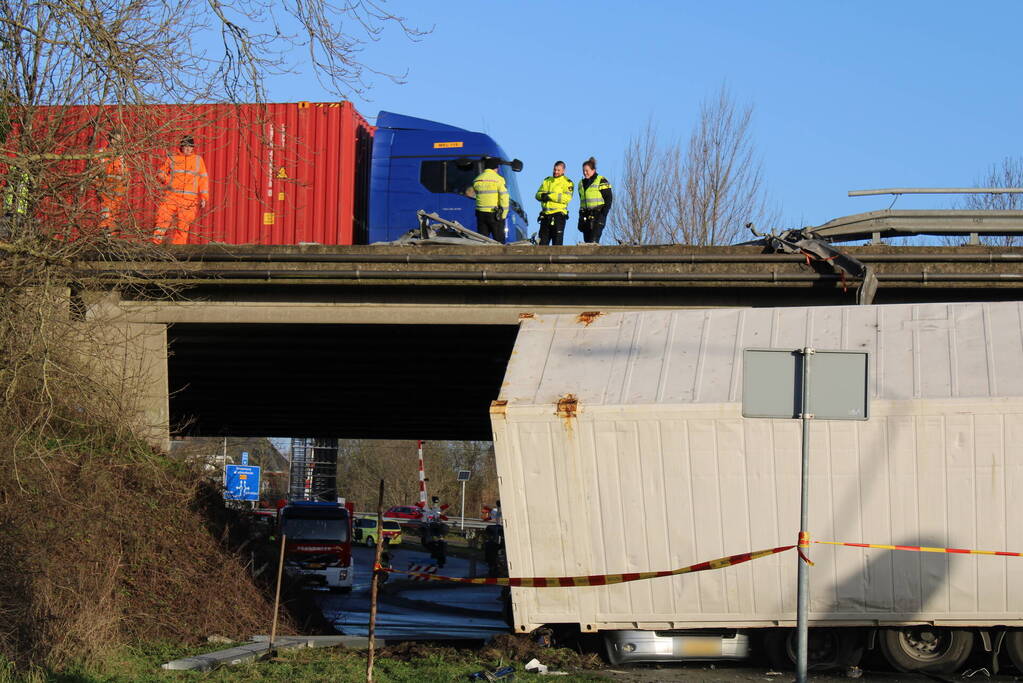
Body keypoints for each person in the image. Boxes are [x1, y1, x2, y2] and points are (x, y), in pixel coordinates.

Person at [153, 135, 208, 245]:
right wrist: (168, 181)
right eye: (185, 146)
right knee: (162, 221)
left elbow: (203, 180)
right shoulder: (172, 158)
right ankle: (155, 245)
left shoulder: (198, 160)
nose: (188, 148)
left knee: (183, 228)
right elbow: (160, 173)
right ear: (181, 146)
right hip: (171, 197)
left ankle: (178, 251)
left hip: (189, 201)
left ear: (193, 148)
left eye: (190, 146)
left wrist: (204, 198)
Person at [535, 161, 573, 246]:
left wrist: (550, 196)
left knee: (557, 244)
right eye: (555, 169)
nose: (556, 172)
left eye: (558, 170)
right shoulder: (547, 180)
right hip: (545, 216)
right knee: (542, 245)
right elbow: (537, 194)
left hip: (558, 216)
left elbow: (567, 198)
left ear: (563, 171)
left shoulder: (567, 182)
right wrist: (542, 196)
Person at [472, 156, 509, 242]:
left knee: (482, 241)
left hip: (480, 214)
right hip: (495, 215)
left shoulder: (477, 180)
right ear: (495, 168)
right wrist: (503, 215)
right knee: (499, 242)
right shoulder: (498, 179)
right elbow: (504, 198)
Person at [97, 129, 127, 235]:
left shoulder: (121, 157)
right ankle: (104, 238)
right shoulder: (101, 153)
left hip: (118, 193)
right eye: (116, 139)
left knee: (114, 219)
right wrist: (100, 186)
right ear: (111, 139)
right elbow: (93, 172)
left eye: (120, 140)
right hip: (106, 191)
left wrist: (123, 190)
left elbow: (125, 175)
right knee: (106, 216)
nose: (117, 143)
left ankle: (111, 240)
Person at [577, 157, 612, 244]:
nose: (585, 173)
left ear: (593, 170)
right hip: (585, 215)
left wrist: (603, 214)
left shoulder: (601, 180)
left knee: (594, 241)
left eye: (587, 170)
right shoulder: (581, 183)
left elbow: (608, 198)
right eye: (583, 171)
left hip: (598, 214)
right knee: (587, 241)